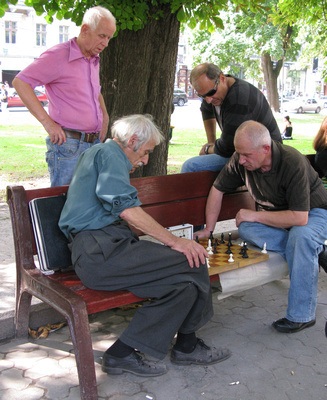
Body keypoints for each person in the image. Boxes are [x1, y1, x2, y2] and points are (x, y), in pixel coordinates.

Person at [59, 114, 231, 376]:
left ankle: (121, 354)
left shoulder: (103, 154)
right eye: (147, 151)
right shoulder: (110, 152)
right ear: (133, 140)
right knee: (193, 259)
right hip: (100, 253)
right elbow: (126, 208)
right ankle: (187, 346)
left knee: (183, 286)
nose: (146, 160)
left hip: (107, 250)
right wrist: (175, 242)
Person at [196, 120, 327, 333]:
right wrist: (209, 229)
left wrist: (255, 216)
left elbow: (300, 218)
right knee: (247, 228)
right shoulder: (240, 160)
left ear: (266, 149)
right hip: (280, 219)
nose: (241, 159)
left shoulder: (292, 161)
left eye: (246, 154)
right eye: (238, 153)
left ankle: (301, 315)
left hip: (314, 213)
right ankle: (314, 252)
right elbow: (217, 189)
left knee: (301, 236)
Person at [12, 6, 116, 187]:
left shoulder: (93, 58)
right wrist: (48, 123)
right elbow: (21, 82)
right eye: (102, 36)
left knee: (87, 205)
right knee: (63, 205)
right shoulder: (59, 54)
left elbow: (94, 90)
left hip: (93, 143)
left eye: (109, 38)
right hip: (69, 146)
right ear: (85, 29)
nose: (106, 43)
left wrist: (104, 114)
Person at [181, 63, 282, 173]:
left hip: (263, 155)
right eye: (202, 96)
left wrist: (207, 149)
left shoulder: (239, 98)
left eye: (211, 93)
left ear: (222, 78)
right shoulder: (214, 92)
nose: (208, 100)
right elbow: (206, 109)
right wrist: (211, 142)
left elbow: (227, 147)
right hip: (243, 151)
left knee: (191, 166)